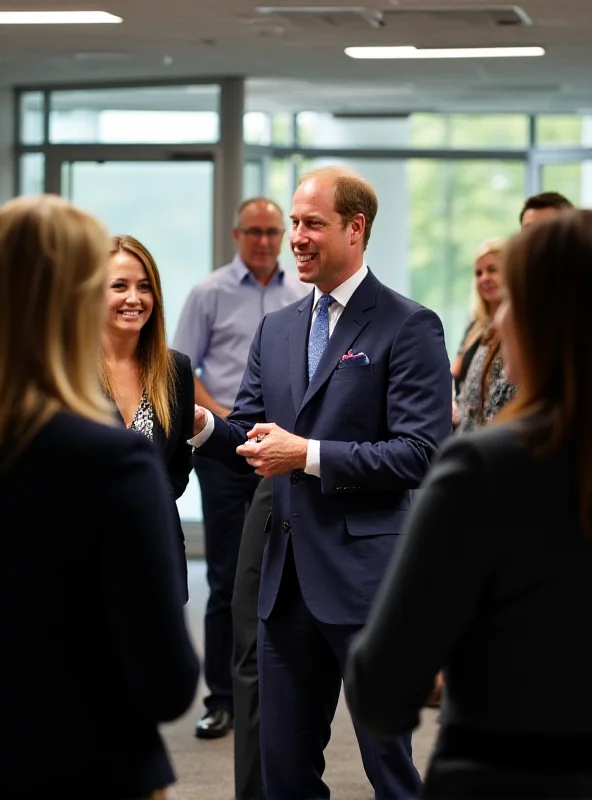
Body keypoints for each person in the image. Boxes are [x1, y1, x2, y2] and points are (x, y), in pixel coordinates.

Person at [190, 166, 452, 799]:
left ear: (355, 230)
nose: (296, 238)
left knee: (390, 769)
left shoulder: (408, 325)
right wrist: (199, 425)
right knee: (283, 773)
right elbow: (250, 438)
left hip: (364, 586)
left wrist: (306, 454)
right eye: (294, 223)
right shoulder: (277, 328)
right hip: (284, 591)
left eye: (311, 224)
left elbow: (419, 453)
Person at [344, 208, 592, 799]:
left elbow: (381, 691)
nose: (498, 318)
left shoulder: (482, 470)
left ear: (535, 318)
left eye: (508, 296)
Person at [0, 195, 200, 799]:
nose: (130, 298)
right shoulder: (107, 461)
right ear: (76, 298)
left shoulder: (169, 375)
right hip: (90, 761)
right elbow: (168, 684)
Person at [173, 197, 310, 739]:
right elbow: (183, 366)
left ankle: (274, 690)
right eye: (254, 231)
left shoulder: (302, 291)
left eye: (273, 231)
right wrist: (228, 420)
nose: (264, 240)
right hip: (227, 448)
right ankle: (223, 698)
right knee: (228, 576)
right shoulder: (210, 292)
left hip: (288, 450)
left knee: (286, 575)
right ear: (237, 235)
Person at [103, 235, 195, 603]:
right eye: (119, 286)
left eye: (144, 287)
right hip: (80, 556)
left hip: (155, 554)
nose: (134, 299)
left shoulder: (176, 369)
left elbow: (178, 469)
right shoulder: (66, 371)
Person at [232, 475, 272, 800]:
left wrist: (308, 453)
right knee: (252, 652)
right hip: (275, 490)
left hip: (364, 492)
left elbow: (416, 451)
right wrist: (206, 427)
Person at [451, 238, 505, 403]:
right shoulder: (476, 326)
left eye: (492, 270)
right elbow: (453, 374)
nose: (484, 278)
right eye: (479, 273)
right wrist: (451, 402)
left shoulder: (520, 328)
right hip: (463, 424)